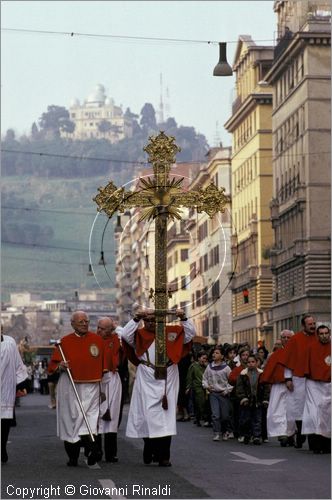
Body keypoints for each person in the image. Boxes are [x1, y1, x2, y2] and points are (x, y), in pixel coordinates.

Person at [121, 308, 195, 467]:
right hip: (147, 375)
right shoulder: (139, 334)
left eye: (154, 320)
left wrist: (184, 318)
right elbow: (125, 336)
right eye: (147, 320)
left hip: (168, 374)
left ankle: (164, 456)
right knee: (147, 415)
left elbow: (189, 335)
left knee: (166, 417)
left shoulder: (172, 331)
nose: (150, 323)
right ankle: (149, 446)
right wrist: (135, 318)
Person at [48, 310, 104, 467]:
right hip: (70, 386)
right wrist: (60, 365)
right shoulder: (64, 342)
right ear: (72, 324)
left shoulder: (97, 340)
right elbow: (53, 364)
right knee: (71, 419)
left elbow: (104, 365)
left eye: (86, 321)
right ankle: (72, 456)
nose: (85, 324)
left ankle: (93, 450)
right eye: (81, 322)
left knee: (91, 418)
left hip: (92, 385)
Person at [278, 314, 317, 448]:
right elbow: (289, 361)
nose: (313, 326)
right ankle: (300, 434)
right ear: (303, 325)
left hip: (315, 379)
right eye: (310, 324)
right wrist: (288, 378)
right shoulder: (295, 340)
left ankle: (313, 441)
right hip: (299, 378)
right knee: (299, 408)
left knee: (313, 409)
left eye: (313, 323)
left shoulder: (319, 338)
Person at [260, 330, 296, 447]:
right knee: (278, 410)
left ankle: (291, 433)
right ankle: (282, 434)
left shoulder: (299, 352)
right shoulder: (275, 354)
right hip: (278, 386)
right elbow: (269, 370)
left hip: (294, 386)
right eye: (284, 337)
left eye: (288, 337)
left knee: (292, 411)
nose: (286, 339)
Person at [96, 316, 123, 463]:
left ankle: (111, 453)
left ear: (111, 329)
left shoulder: (116, 339)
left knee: (111, 416)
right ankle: (96, 450)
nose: (99, 330)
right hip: (95, 379)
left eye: (103, 328)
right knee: (96, 415)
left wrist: (116, 327)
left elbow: (126, 333)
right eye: (98, 327)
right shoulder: (92, 340)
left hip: (111, 378)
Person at [302, 324, 331, 454]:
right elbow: (305, 366)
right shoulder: (311, 348)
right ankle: (314, 444)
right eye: (321, 333)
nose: (324, 336)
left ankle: (327, 444)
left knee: (327, 415)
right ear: (318, 335)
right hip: (313, 384)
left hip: (329, 385)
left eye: (326, 333)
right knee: (313, 414)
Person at [1, 332, 28, 463]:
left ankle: (2, 447)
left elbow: (18, 364)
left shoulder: (10, 342)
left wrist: (21, 384)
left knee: (4, 421)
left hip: (6, 387)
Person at [236, 353, 270, 445]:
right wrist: (243, 398)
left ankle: (256, 436)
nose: (251, 364)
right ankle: (246, 435)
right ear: (246, 363)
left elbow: (266, 387)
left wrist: (265, 399)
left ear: (257, 363)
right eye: (249, 362)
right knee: (246, 419)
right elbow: (239, 387)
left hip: (257, 400)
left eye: (253, 362)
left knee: (257, 419)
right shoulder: (243, 374)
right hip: (247, 400)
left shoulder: (261, 373)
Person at [202, 346, 234, 441]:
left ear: (222, 356)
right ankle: (216, 432)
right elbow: (204, 378)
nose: (214, 354)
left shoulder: (226, 368)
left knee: (225, 416)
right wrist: (207, 386)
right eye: (214, 353)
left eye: (217, 353)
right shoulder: (209, 367)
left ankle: (225, 431)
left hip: (223, 394)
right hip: (213, 394)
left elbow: (231, 381)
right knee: (215, 415)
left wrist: (227, 390)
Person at [186, 350, 209, 427]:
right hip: (197, 387)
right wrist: (188, 387)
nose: (204, 360)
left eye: (205, 358)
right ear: (198, 358)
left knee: (205, 403)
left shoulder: (207, 367)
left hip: (206, 387)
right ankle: (201, 418)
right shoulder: (194, 366)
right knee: (200, 402)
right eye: (203, 358)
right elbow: (189, 377)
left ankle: (199, 418)